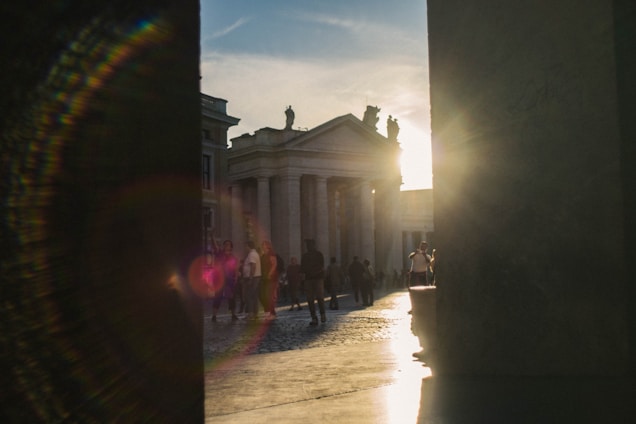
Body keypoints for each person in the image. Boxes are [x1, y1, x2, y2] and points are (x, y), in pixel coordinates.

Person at [211, 238, 239, 322]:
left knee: (231, 297)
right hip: (219, 278)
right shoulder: (220, 253)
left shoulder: (233, 257)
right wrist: (212, 235)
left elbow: (236, 268)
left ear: (231, 247)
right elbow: (215, 245)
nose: (227, 245)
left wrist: (236, 277)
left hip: (230, 278)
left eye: (228, 244)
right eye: (225, 244)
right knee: (217, 296)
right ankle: (214, 316)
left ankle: (233, 314)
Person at [300, 239, 325, 325]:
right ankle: (318, 316)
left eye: (309, 245)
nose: (308, 247)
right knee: (315, 298)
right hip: (314, 278)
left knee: (316, 298)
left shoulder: (309, 255)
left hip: (313, 278)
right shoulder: (317, 254)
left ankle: (317, 316)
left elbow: (302, 269)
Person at [260, 240, 279, 319]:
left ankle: (271, 313)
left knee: (268, 295)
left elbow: (274, 264)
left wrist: (269, 274)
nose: (263, 246)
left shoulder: (271, 254)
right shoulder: (263, 255)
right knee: (263, 295)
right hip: (264, 277)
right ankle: (269, 311)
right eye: (262, 245)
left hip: (271, 278)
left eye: (264, 245)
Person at [243, 240, 261, 320]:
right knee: (254, 296)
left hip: (253, 278)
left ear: (248, 246)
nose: (245, 248)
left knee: (250, 296)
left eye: (246, 246)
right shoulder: (255, 253)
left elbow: (253, 266)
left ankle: (251, 313)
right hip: (256, 277)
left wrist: (250, 277)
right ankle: (255, 313)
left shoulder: (252, 254)